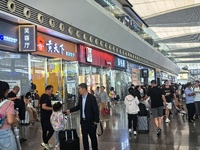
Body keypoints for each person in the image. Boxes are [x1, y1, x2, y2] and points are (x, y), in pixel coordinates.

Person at [66, 83, 99, 150]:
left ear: (84, 89)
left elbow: (96, 110)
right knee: (84, 138)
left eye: (79, 89)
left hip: (91, 122)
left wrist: (96, 120)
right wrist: (70, 110)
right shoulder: (81, 98)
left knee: (93, 138)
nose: (79, 90)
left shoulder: (91, 98)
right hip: (83, 122)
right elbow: (78, 106)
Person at [0, 81, 19, 150]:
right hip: (5, 134)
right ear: (6, 91)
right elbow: (10, 120)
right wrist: (16, 118)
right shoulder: (8, 103)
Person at [40, 85, 54, 150]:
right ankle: (45, 142)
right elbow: (43, 106)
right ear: (47, 90)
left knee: (45, 130)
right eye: (51, 91)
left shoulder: (47, 97)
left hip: (47, 116)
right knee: (50, 130)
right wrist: (52, 108)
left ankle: (46, 143)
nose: (52, 92)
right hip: (45, 117)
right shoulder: (45, 97)